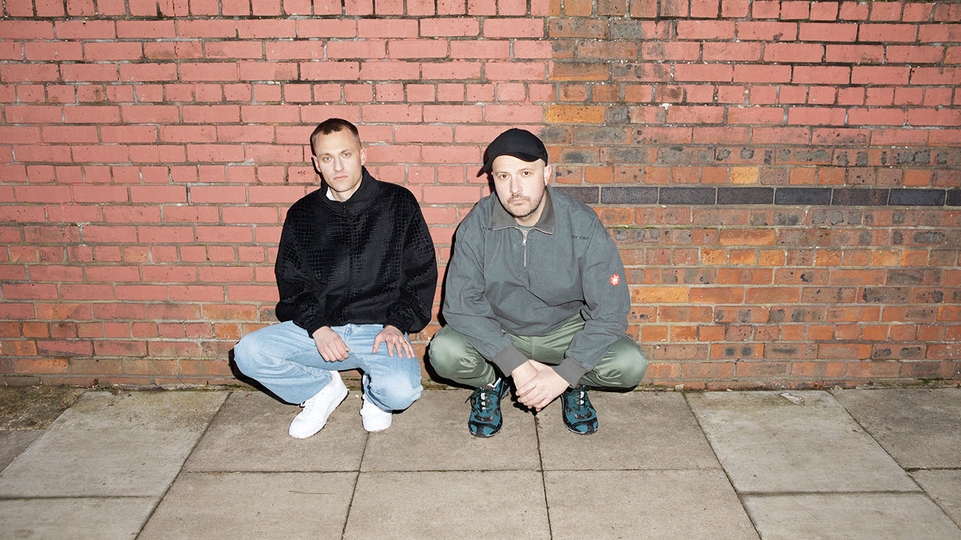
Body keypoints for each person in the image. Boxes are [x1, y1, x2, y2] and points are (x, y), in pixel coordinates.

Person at [429, 128, 646, 437]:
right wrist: (515, 364)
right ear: (493, 179)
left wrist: (564, 375)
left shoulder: (581, 223)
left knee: (630, 364)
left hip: (565, 331)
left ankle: (574, 383)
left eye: (525, 173)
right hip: (501, 329)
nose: (515, 188)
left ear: (546, 173)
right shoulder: (478, 222)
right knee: (445, 352)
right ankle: (491, 381)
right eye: (503, 177)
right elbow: (461, 306)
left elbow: (610, 311)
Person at [234, 118, 437, 438]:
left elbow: (420, 273)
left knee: (400, 392)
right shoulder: (302, 214)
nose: (338, 167)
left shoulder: (398, 204)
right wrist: (317, 327)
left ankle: (375, 398)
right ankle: (321, 389)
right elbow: (292, 283)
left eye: (346, 155)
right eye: (327, 158)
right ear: (316, 163)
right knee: (248, 353)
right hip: (321, 330)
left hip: (379, 331)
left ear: (362, 155)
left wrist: (398, 323)